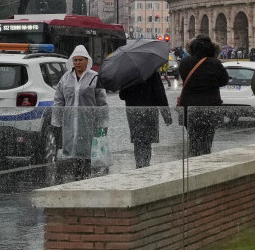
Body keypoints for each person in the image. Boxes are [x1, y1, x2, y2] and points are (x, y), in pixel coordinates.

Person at [53, 45, 109, 180]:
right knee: (73, 152)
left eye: (80, 60)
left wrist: (103, 123)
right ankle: (78, 177)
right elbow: (59, 100)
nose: (77, 63)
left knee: (89, 152)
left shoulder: (94, 77)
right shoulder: (66, 78)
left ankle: (86, 177)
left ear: (87, 61)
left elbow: (102, 103)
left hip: (89, 122)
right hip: (70, 121)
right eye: (75, 60)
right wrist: (56, 121)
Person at [177, 36, 228, 156]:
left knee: (194, 140)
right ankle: (204, 161)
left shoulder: (185, 63)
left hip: (190, 108)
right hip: (210, 108)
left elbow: (184, 78)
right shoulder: (215, 63)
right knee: (207, 141)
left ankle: (194, 162)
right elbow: (224, 81)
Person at [119, 70, 173, 168]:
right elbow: (160, 94)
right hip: (150, 112)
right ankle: (145, 165)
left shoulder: (127, 74)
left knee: (138, 141)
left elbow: (122, 95)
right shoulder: (152, 73)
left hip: (133, 114)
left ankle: (140, 165)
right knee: (147, 142)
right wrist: (166, 115)